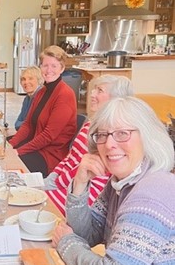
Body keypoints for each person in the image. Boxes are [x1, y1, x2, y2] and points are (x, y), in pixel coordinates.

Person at [53, 97, 175, 265]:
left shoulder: (151, 192)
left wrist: (66, 244)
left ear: (148, 136)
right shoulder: (123, 183)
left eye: (122, 134)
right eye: (103, 135)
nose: (109, 144)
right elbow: (89, 231)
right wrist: (80, 183)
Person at [44, 75, 133, 215]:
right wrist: (52, 179)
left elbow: (91, 180)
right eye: (94, 90)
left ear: (116, 99)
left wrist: (54, 188)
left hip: (80, 197)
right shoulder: (90, 124)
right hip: (64, 186)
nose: (92, 94)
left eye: (99, 91)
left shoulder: (109, 137)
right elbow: (70, 158)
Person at [8, 45, 77, 177]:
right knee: (2, 146)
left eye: (54, 66)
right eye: (45, 65)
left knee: (11, 164)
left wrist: (18, 151)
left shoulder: (65, 95)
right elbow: (28, 125)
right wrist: (11, 145)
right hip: (37, 145)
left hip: (50, 155)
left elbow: (48, 136)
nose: (48, 70)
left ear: (62, 68)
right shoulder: (42, 91)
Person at [14, 66, 43, 130]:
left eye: (30, 78)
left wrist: (24, 124)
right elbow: (17, 124)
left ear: (39, 80)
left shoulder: (41, 98)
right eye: (23, 79)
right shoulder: (27, 99)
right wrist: (25, 124)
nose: (26, 82)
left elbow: (33, 125)